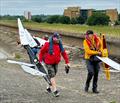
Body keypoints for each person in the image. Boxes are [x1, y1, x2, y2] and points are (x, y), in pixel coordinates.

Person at [39, 32, 70, 97]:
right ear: (53, 38)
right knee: (52, 75)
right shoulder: (47, 44)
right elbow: (41, 52)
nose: (58, 39)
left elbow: (63, 53)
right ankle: (55, 90)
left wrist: (67, 62)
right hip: (48, 63)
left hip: (56, 63)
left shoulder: (60, 45)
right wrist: (40, 61)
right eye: (57, 38)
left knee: (52, 75)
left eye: (59, 38)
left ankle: (48, 87)